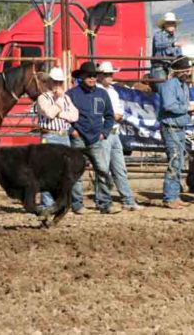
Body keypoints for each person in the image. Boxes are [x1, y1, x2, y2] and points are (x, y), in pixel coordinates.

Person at [67, 61, 120, 214]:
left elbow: (109, 116)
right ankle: (77, 204)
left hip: (97, 138)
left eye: (93, 76)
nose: (91, 78)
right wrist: (72, 130)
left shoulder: (102, 94)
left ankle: (104, 203)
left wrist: (104, 132)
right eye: (88, 76)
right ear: (82, 77)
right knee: (76, 172)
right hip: (78, 138)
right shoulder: (71, 94)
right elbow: (62, 116)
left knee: (102, 170)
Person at [97, 61, 140, 211]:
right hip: (104, 131)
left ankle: (127, 200)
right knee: (103, 168)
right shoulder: (97, 92)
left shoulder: (113, 92)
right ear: (100, 75)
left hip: (114, 132)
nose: (109, 76)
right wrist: (112, 116)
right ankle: (104, 200)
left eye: (110, 74)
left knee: (119, 168)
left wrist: (118, 115)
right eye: (107, 74)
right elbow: (96, 113)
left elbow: (119, 109)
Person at [34, 66, 79, 210]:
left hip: (63, 135)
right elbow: (48, 113)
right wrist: (59, 104)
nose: (57, 85)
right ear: (49, 82)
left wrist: (59, 113)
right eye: (55, 82)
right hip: (50, 135)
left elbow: (75, 115)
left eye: (60, 82)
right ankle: (47, 203)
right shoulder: (42, 98)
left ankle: (59, 202)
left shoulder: (66, 97)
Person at [157, 56, 194, 209]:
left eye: (187, 69)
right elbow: (168, 105)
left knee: (178, 162)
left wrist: (187, 112)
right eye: (185, 69)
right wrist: (187, 109)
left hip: (179, 127)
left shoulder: (183, 85)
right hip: (171, 127)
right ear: (178, 71)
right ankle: (169, 197)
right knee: (174, 161)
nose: (187, 72)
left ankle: (174, 195)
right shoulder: (169, 85)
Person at [150, 12, 183, 80]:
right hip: (159, 67)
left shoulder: (176, 38)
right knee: (164, 83)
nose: (171, 25)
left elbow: (179, 55)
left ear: (175, 25)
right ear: (164, 25)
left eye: (173, 23)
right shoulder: (158, 35)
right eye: (169, 23)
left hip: (172, 67)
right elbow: (158, 45)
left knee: (183, 81)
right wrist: (173, 44)